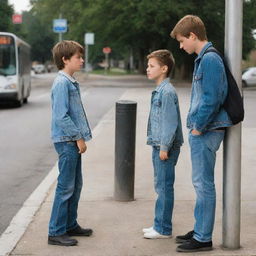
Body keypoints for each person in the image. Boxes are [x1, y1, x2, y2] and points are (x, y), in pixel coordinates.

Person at [170, 15, 233, 252]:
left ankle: (203, 237)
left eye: (181, 40)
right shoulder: (204, 59)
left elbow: (212, 98)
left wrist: (198, 126)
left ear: (192, 36)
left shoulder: (209, 60)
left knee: (203, 184)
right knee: (200, 183)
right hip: (204, 128)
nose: (180, 45)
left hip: (207, 129)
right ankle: (199, 229)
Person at [48, 40, 93, 246]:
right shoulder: (62, 83)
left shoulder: (70, 81)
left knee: (75, 185)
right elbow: (61, 116)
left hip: (71, 141)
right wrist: (79, 137)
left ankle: (69, 224)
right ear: (65, 59)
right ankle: (55, 231)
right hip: (67, 141)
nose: (82, 60)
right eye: (78, 57)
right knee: (66, 187)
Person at [143, 49, 183, 239]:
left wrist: (165, 147)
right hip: (158, 144)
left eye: (152, 66)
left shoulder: (166, 92)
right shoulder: (161, 90)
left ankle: (163, 229)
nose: (147, 69)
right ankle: (158, 224)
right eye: (148, 66)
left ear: (164, 68)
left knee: (165, 188)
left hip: (164, 147)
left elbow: (170, 122)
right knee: (160, 186)